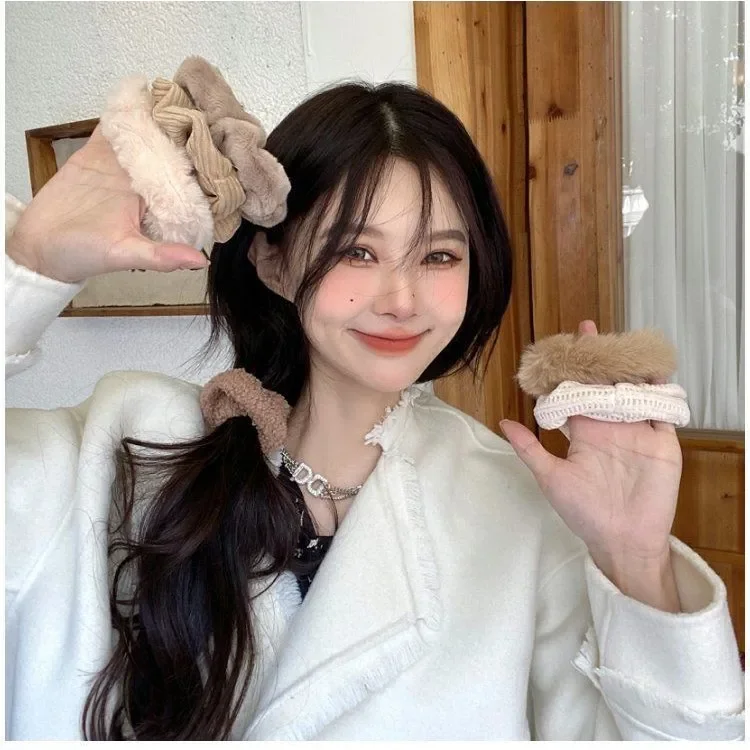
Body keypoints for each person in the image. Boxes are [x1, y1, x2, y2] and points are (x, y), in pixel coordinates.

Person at [5, 81, 744, 741]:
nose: (401, 299)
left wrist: (636, 561)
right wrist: (31, 259)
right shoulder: (126, 452)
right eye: (356, 252)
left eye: (440, 256)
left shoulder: (516, 511)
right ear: (272, 260)